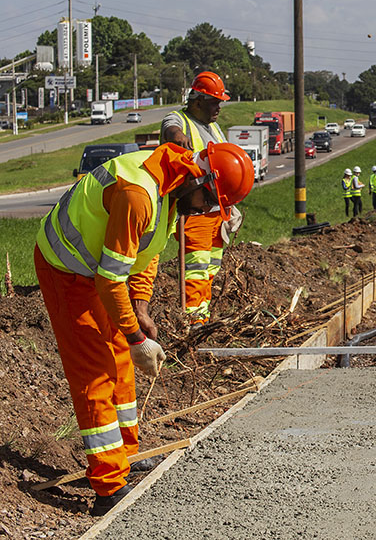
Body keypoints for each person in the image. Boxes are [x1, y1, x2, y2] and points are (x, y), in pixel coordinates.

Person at [34, 142, 254, 515]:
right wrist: (136, 337)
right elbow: (110, 277)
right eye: (207, 202)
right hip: (68, 269)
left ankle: (125, 454)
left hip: (101, 272)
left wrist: (141, 311)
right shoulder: (138, 194)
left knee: (120, 361)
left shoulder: (172, 188)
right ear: (197, 179)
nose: (204, 210)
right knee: (96, 371)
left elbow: (144, 256)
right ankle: (108, 487)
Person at [159, 71, 234, 327]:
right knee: (196, 270)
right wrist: (177, 137)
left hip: (215, 208)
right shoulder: (180, 119)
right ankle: (194, 325)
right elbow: (171, 127)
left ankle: (203, 318)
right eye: (215, 102)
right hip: (194, 211)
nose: (219, 107)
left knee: (210, 269)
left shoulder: (212, 126)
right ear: (198, 101)